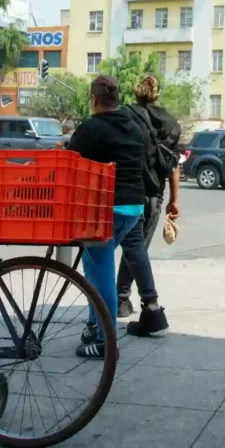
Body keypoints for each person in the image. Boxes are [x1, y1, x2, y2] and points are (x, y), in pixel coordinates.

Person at [65, 76, 164, 357]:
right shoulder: (134, 127)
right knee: (97, 267)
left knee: (102, 275)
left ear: (94, 100)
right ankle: (94, 325)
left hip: (104, 209)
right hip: (133, 208)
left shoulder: (91, 127)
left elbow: (69, 163)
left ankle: (105, 341)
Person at [117, 75, 181, 322]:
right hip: (154, 194)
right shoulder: (171, 123)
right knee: (137, 248)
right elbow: (174, 166)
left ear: (136, 91)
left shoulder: (125, 115)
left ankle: (119, 299)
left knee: (129, 248)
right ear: (158, 93)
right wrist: (174, 199)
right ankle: (122, 298)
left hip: (124, 191)